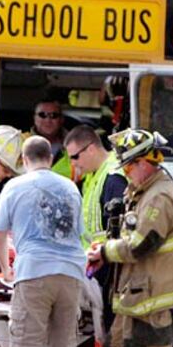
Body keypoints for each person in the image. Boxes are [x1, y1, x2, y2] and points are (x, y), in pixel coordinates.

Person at [78, 128, 173, 347]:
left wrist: (106, 252)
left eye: (129, 166)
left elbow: (142, 244)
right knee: (119, 344)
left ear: (145, 162)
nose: (125, 172)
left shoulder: (159, 196)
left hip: (153, 292)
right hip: (136, 289)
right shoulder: (142, 192)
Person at [0, 136, 86, 347]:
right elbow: (79, 232)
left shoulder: (14, 186)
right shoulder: (71, 187)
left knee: (30, 339)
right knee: (63, 340)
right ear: (51, 159)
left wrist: (5, 269)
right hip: (71, 272)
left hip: (33, 270)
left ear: (24, 160)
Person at [64, 124, 128, 332]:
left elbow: (118, 228)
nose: (73, 163)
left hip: (109, 266)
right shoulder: (94, 176)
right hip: (96, 263)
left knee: (109, 328)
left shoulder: (113, 177)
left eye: (75, 157)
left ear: (90, 148)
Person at [28, 98, 72, 178]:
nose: (48, 120)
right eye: (42, 115)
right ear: (34, 118)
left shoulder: (73, 145)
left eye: (53, 116)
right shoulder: (22, 142)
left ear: (61, 120)